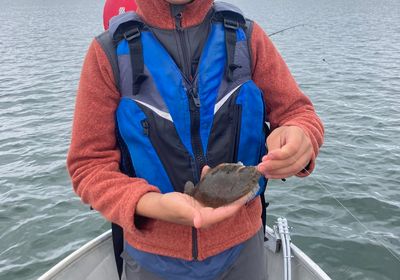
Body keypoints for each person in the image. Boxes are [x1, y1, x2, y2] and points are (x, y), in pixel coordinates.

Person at [67, 0, 324, 279]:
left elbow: (298, 113)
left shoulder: (248, 37)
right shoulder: (107, 53)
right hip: (152, 258)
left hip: (243, 249)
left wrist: (301, 136)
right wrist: (151, 203)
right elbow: (88, 166)